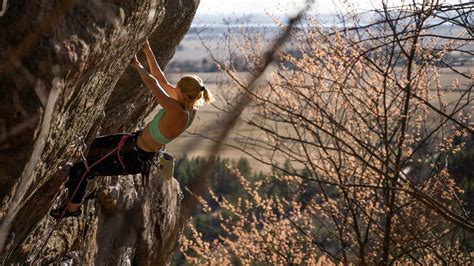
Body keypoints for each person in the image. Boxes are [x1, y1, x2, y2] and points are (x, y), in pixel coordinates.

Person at [50, 40, 214, 219]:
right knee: (89, 148)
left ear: (183, 93)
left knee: (82, 169)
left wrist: (137, 65)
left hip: (132, 158)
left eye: (177, 88)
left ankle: (73, 209)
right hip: (132, 142)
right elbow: (161, 80)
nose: (173, 88)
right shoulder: (190, 106)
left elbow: (153, 84)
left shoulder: (178, 112)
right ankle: (72, 187)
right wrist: (148, 50)